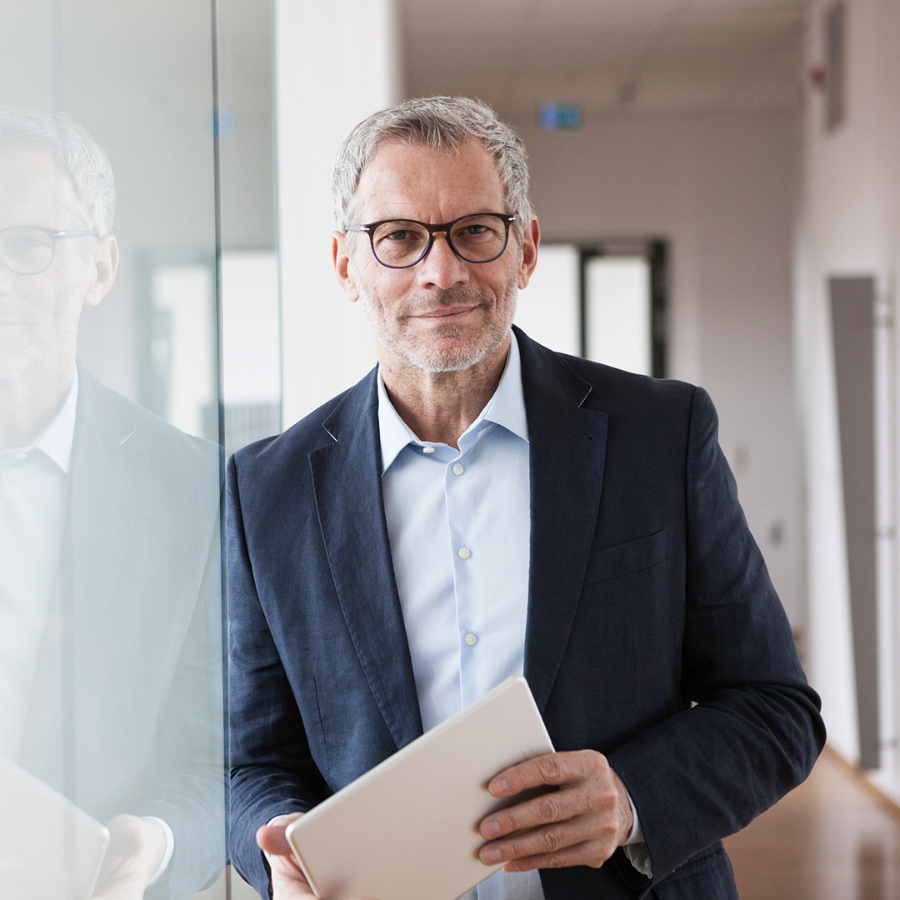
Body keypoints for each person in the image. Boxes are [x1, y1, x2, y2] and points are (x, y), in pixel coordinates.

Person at [227, 96, 825, 900]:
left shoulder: (661, 435)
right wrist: (276, 850)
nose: (441, 272)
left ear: (526, 248)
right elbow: (251, 762)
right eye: (399, 238)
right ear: (346, 264)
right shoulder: (265, 490)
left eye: (475, 230)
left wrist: (632, 798)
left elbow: (775, 708)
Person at [0, 108, 225, 899]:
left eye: (27, 246)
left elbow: (215, 765)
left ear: (99, 268)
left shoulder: (193, 491)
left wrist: (153, 844)